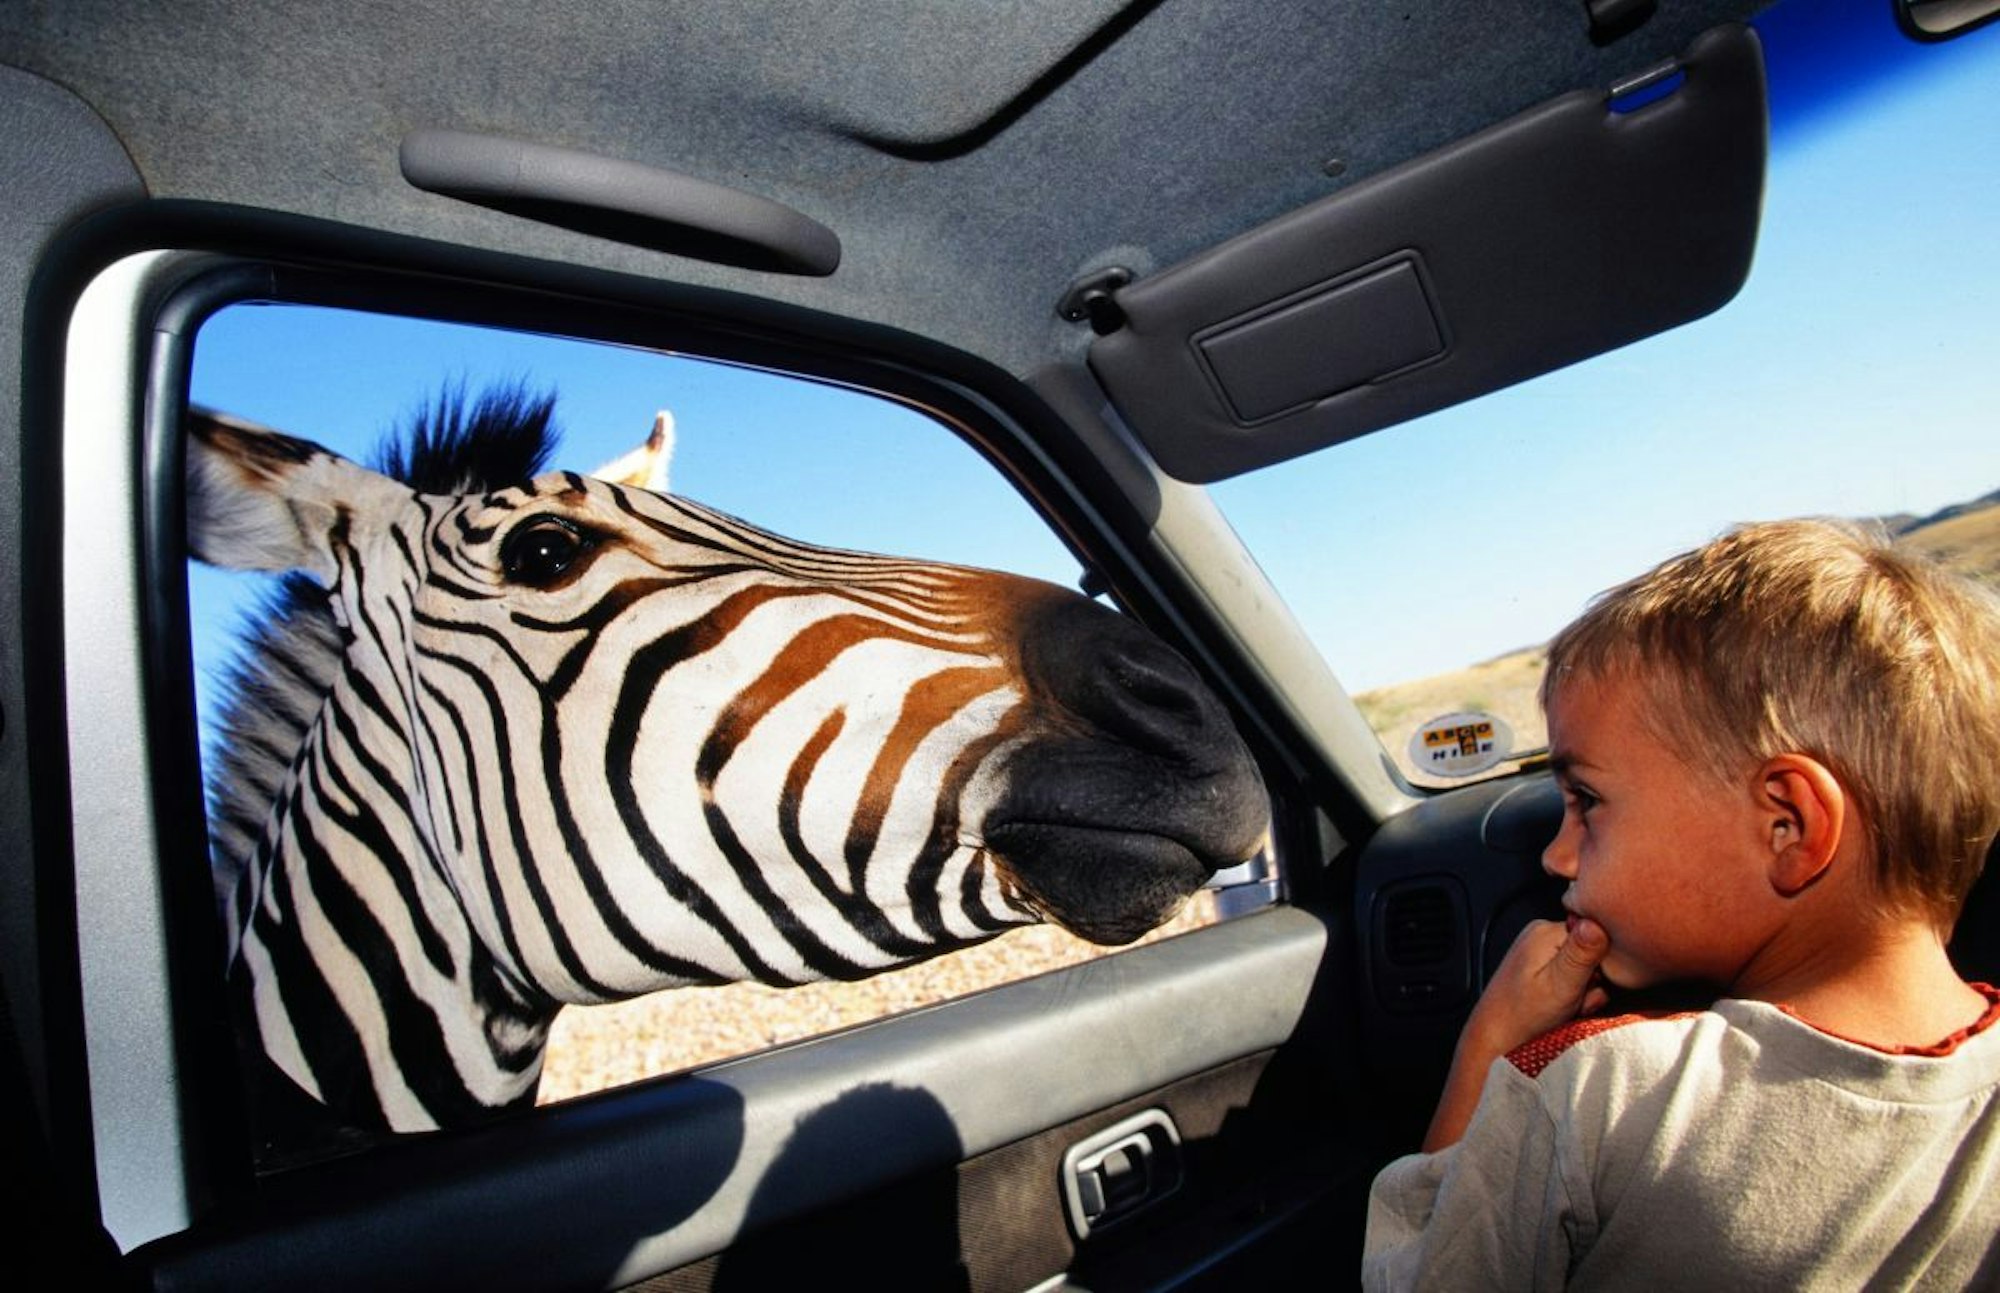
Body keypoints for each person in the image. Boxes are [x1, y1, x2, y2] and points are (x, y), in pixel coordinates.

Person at [1362, 519, 2000, 1290]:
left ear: (1786, 825)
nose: (1555, 855)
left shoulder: (1595, 1089)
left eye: (1587, 800)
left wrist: (1487, 1049)